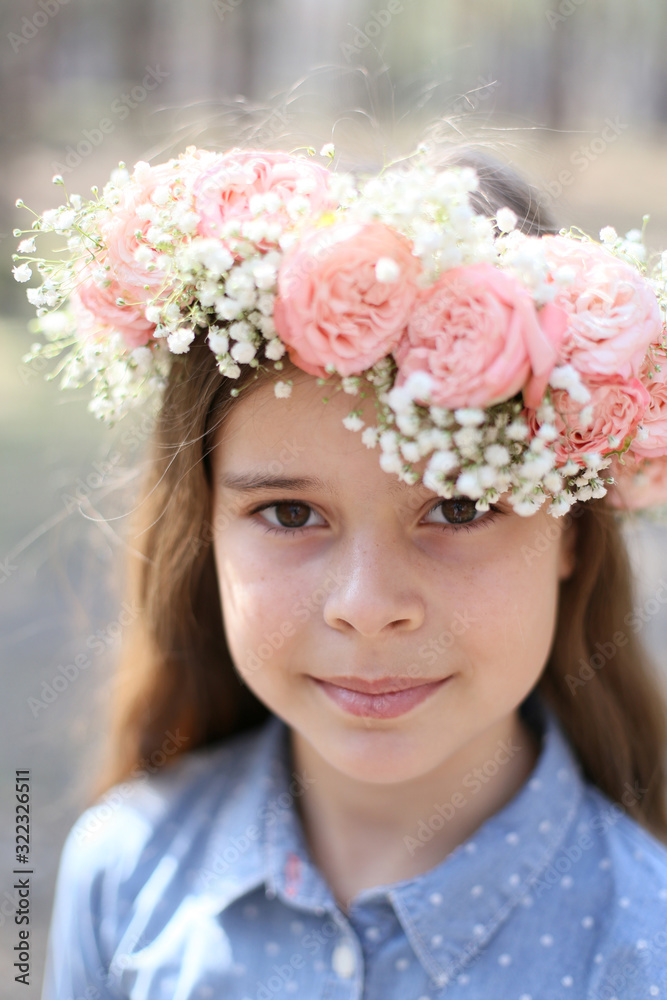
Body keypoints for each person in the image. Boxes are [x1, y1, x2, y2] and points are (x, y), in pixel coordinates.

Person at [15, 134, 667, 999]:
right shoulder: (124, 874)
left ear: (572, 534)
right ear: (204, 528)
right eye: (290, 513)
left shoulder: (642, 948)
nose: (366, 605)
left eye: (457, 508)